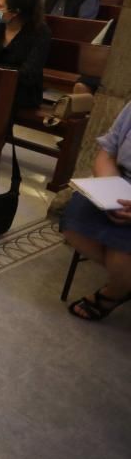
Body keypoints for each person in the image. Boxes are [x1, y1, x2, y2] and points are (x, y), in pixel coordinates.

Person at [60, 100, 131, 321]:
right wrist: (111, 191)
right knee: (73, 225)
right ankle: (125, 279)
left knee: (120, 254)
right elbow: (107, 153)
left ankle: (114, 292)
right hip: (121, 181)